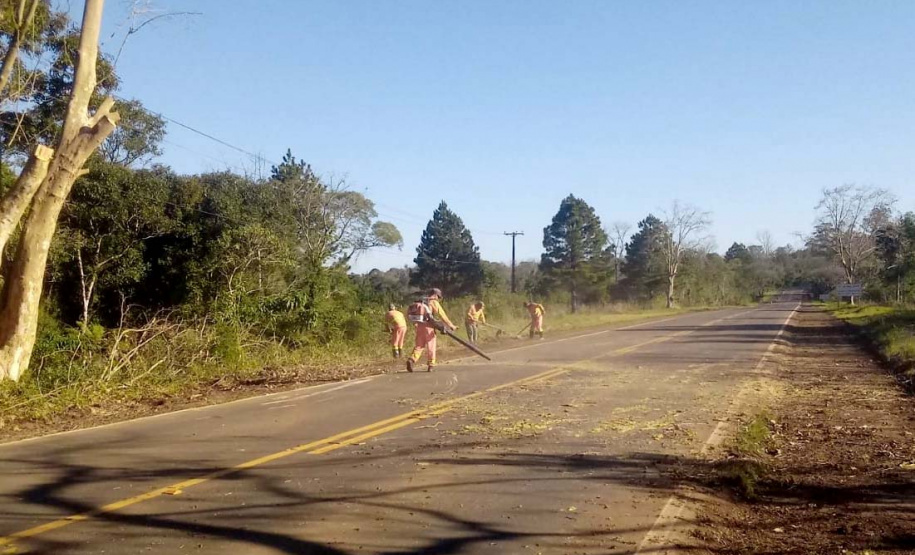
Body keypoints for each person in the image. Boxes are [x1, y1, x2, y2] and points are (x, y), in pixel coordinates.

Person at [406, 288, 456, 372]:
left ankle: (411, 359)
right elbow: (442, 315)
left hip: (419, 326)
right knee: (431, 346)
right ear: (436, 295)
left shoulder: (421, 301)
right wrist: (451, 325)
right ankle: (431, 365)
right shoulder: (433, 302)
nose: (438, 299)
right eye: (438, 297)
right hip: (429, 327)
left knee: (419, 345)